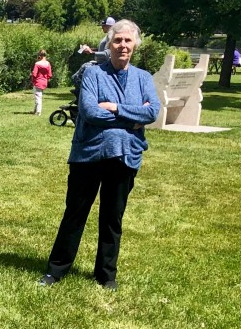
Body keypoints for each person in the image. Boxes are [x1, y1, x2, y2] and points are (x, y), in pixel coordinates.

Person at [39, 19, 161, 290]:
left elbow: (152, 112)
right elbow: (90, 111)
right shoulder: (93, 73)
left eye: (128, 40)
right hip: (89, 154)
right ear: (109, 44)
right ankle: (56, 270)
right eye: (117, 40)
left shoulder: (143, 78)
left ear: (135, 45)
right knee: (75, 213)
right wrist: (133, 117)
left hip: (125, 155)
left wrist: (115, 108)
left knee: (112, 218)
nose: (122, 45)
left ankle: (106, 275)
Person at [30, 50, 52, 116]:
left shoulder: (37, 64)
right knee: (38, 96)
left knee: (38, 97)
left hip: (38, 82)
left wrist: (32, 76)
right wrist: (46, 79)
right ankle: (35, 110)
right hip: (44, 82)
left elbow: (34, 74)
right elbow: (50, 74)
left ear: (39, 55)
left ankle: (38, 112)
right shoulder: (48, 63)